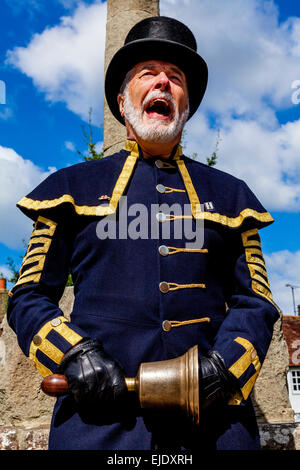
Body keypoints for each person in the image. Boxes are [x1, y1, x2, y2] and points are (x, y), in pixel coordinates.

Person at [7, 16, 280, 450]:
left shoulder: (232, 195)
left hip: (214, 427)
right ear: (122, 100)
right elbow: (28, 297)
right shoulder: (69, 188)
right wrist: (73, 353)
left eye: (175, 78)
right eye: (148, 74)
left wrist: (224, 367)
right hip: (99, 426)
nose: (163, 84)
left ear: (186, 103)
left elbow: (257, 302)